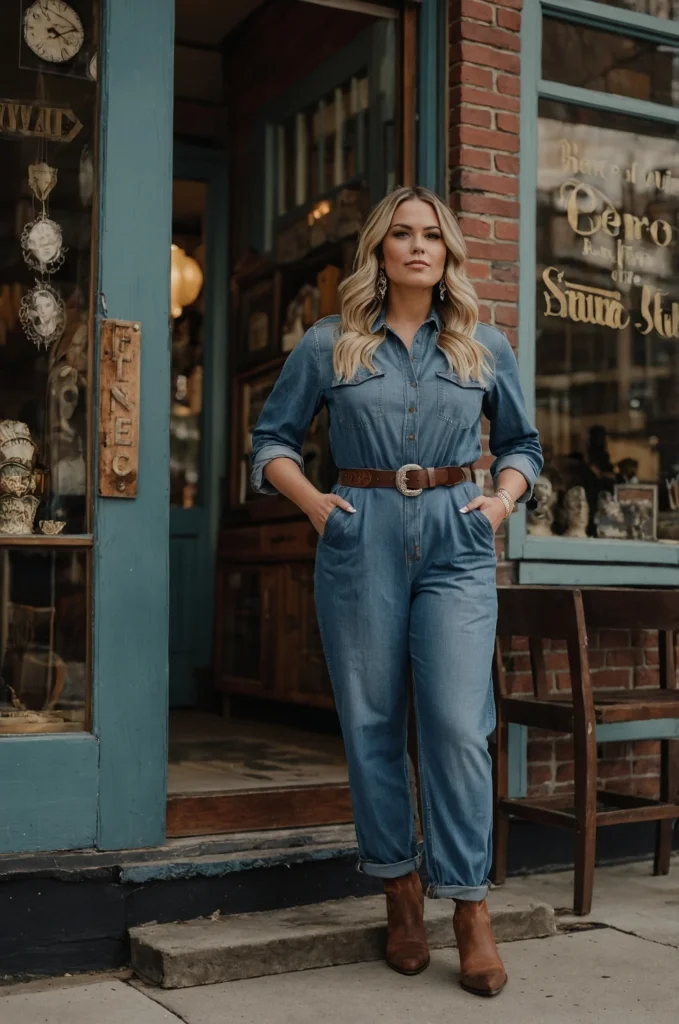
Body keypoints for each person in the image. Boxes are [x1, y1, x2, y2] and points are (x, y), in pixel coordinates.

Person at [250, 185, 543, 998]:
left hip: (456, 535)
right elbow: (271, 439)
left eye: (432, 236)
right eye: (401, 235)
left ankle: (469, 906)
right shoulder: (328, 343)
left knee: (454, 724)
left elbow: (522, 445)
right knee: (373, 725)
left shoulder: (483, 345)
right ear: (378, 251)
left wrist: (499, 502)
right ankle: (399, 892)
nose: (418, 247)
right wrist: (313, 503)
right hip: (360, 533)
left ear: (448, 253)